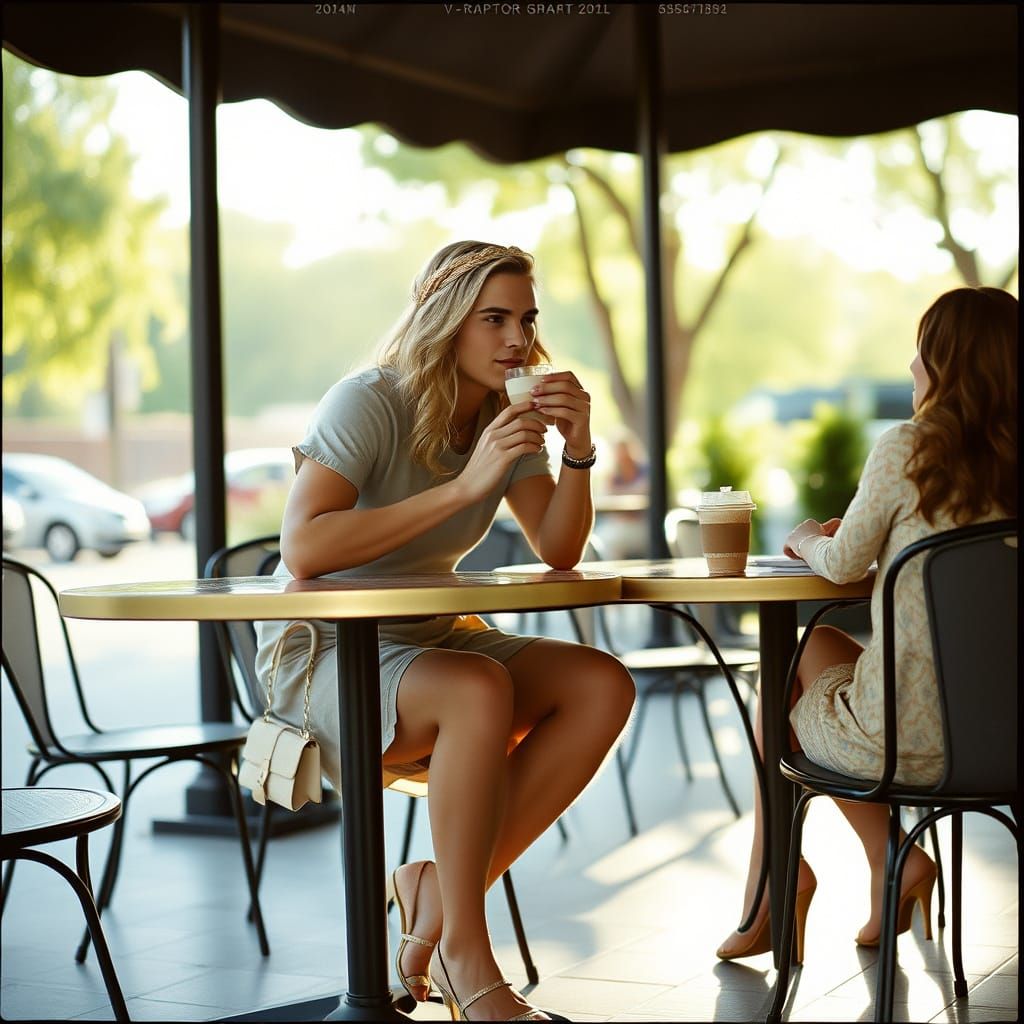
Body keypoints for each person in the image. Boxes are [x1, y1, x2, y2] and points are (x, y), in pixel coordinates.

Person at [254, 241, 636, 1021]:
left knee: (602, 684)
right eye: (493, 318)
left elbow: (558, 547)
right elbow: (305, 547)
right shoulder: (369, 401)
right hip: (326, 648)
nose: (516, 340)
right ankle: (466, 952)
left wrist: (581, 450)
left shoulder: (506, 412)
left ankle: (433, 901)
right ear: (444, 318)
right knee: (475, 688)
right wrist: (465, 486)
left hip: (431, 637)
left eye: (526, 320)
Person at [716, 286, 1017, 962]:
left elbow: (844, 562)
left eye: (922, 350)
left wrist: (803, 539)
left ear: (946, 363)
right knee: (817, 649)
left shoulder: (910, 448)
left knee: (779, 683)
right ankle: (883, 871)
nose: (912, 367)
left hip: (908, 743)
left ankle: (785, 885)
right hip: (1011, 739)